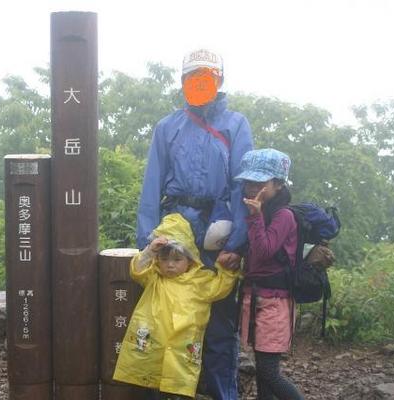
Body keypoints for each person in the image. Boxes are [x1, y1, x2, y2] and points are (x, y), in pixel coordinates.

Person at [136, 48, 253, 399]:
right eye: (193, 77)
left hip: (218, 233)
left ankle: (222, 394)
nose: (200, 83)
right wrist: (149, 239)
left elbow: (241, 184)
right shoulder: (167, 127)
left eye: (207, 77)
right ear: (184, 81)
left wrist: (237, 244)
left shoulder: (235, 125)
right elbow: (152, 183)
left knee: (219, 323)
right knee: (165, 318)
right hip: (176, 232)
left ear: (219, 80)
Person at [113, 213, 239, 400]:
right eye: (164, 259)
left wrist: (227, 268)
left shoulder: (200, 281)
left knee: (178, 389)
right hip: (152, 348)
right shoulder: (154, 278)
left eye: (177, 259)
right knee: (152, 389)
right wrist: (150, 251)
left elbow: (220, 287)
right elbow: (136, 270)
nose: (170, 265)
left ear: (190, 259)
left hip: (182, 350)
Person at [235, 148, 305, 399]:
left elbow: (265, 251)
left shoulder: (284, 215)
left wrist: (254, 216)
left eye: (259, 182)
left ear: (277, 183)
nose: (252, 188)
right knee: (264, 372)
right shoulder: (261, 211)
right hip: (255, 300)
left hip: (274, 303)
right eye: (248, 182)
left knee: (269, 372)